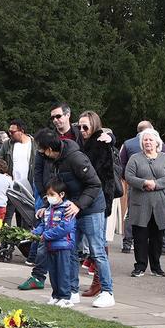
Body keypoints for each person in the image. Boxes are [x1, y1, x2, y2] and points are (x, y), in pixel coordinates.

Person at [34, 128, 114, 308]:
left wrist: (78, 205)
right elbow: (60, 189)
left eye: (41, 149)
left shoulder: (75, 158)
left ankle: (107, 291)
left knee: (97, 250)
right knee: (70, 250)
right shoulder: (56, 160)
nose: (40, 153)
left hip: (90, 208)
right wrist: (48, 206)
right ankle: (72, 291)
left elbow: (94, 184)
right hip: (71, 209)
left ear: (48, 149)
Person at [125, 128, 165, 278]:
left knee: (157, 236)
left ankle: (156, 266)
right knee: (140, 236)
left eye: (150, 140)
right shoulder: (134, 158)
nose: (148, 142)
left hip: (160, 203)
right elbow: (128, 176)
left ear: (157, 142)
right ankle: (140, 266)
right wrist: (144, 182)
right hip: (140, 202)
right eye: (145, 140)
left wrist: (155, 184)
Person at [78, 110, 118, 297]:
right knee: (94, 246)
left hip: (97, 200)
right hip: (88, 200)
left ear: (94, 126)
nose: (82, 130)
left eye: (85, 126)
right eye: (80, 127)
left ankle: (103, 286)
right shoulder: (84, 142)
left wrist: (104, 204)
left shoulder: (99, 143)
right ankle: (100, 284)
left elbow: (104, 177)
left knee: (98, 246)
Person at [35, 179, 78, 308]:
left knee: (63, 272)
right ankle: (56, 295)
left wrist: (46, 235)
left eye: (52, 195)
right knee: (53, 273)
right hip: (51, 246)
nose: (49, 198)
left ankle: (65, 297)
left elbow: (65, 228)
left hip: (63, 246)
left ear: (62, 194)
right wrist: (35, 233)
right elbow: (44, 225)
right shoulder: (48, 209)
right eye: (47, 195)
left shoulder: (68, 208)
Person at [119, 121, 153, 253]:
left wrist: (128, 179)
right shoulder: (156, 141)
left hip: (133, 183)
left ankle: (127, 242)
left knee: (131, 212)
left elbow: (121, 164)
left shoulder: (127, 144)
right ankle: (162, 243)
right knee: (155, 213)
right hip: (154, 184)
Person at [6, 119, 36, 190]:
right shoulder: (7, 144)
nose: (10, 134)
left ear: (22, 131)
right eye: (9, 131)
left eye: (12, 132)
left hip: (31, 185)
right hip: (12, 186)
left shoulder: (35, 144)